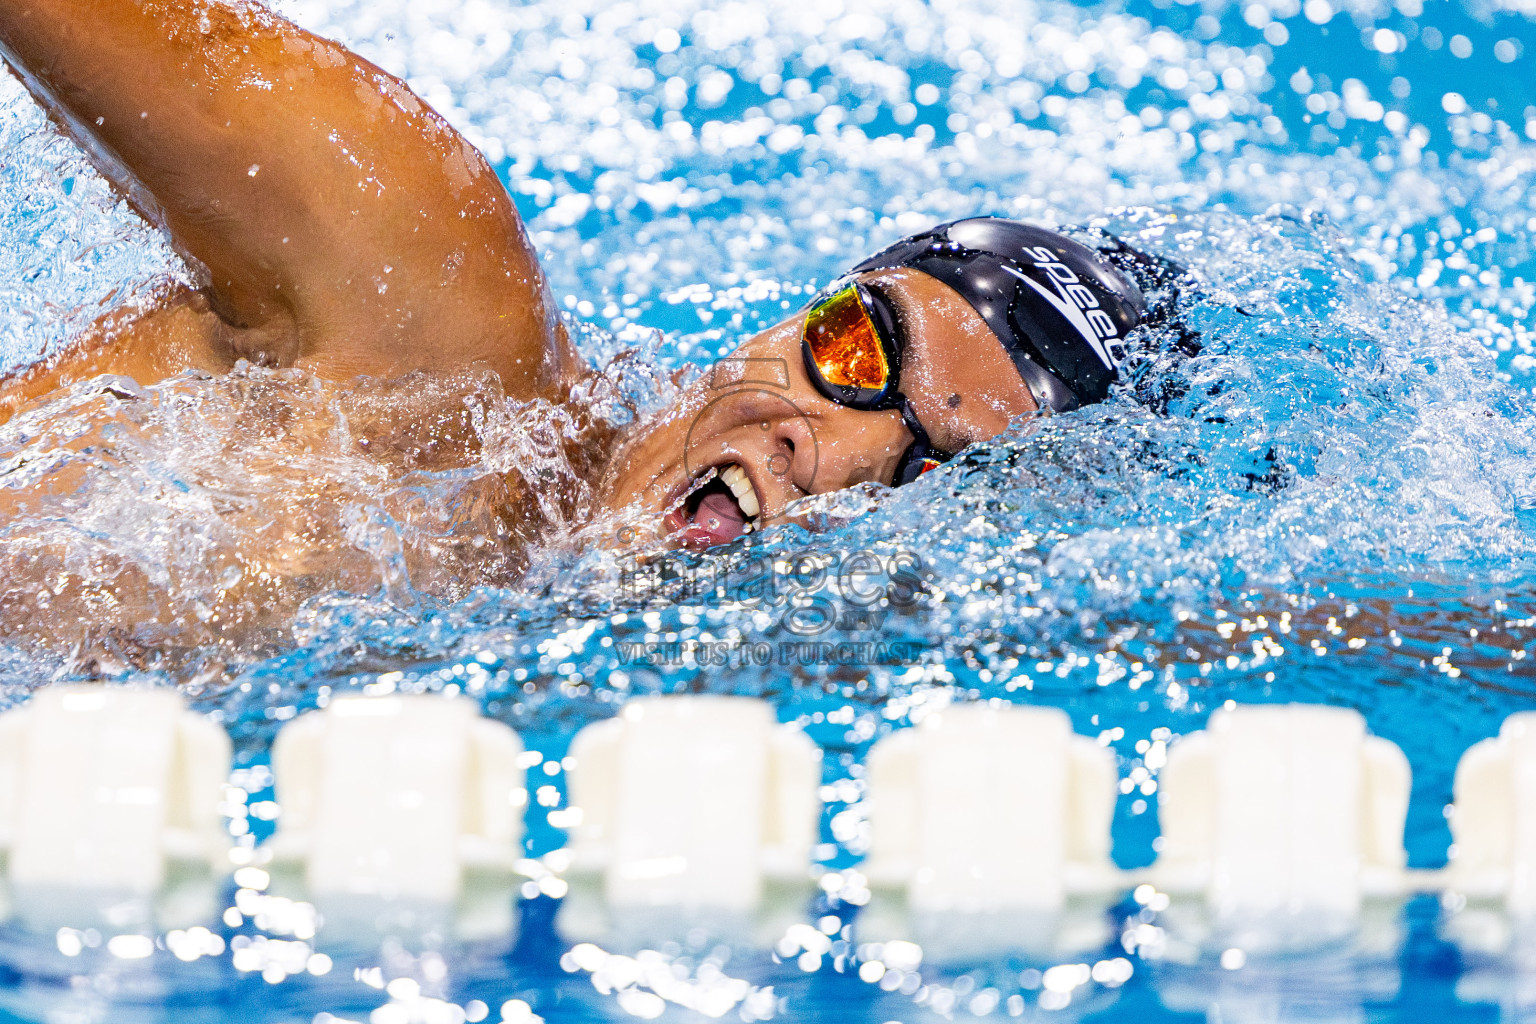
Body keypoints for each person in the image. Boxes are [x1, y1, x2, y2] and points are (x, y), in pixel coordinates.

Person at [0, 0, 1170, 561]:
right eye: (857, 355)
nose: (834, 454)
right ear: (784, 316)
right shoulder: (428, 303)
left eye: (928, 474)